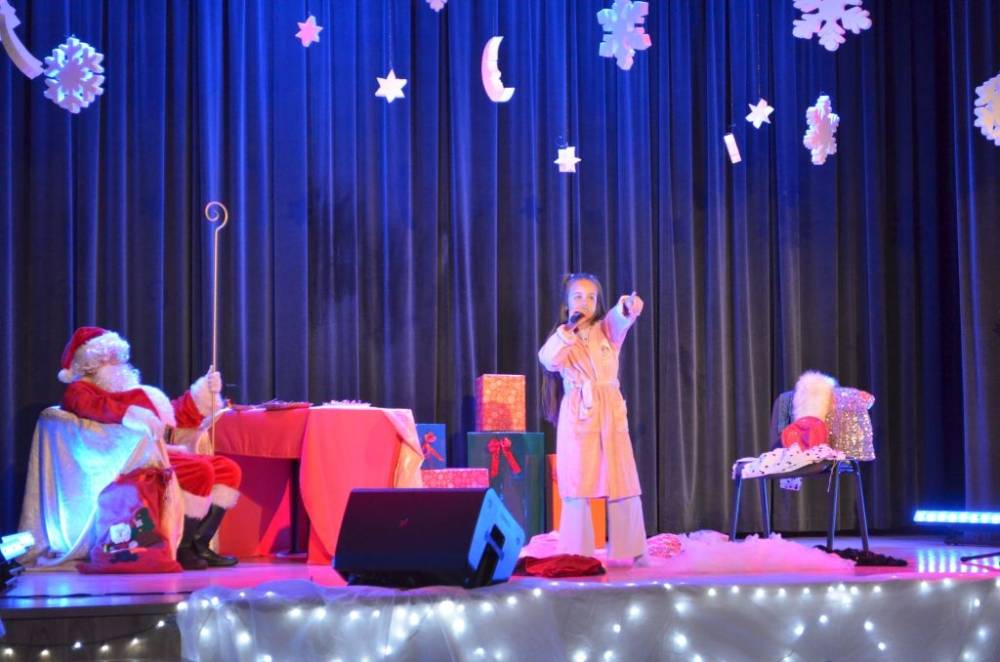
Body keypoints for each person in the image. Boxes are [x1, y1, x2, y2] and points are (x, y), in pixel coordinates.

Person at [56, 326, 241, 569]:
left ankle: (200, 543)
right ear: (92, 363)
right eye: (110, 358)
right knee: (200, 470)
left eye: (118, 356)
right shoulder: (80, 390)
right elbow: (96, 408)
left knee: (227, 469)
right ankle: (182, 547)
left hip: (157, 451)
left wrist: (205, 391)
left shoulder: (127, 388)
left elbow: (171, 417)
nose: (119, 363)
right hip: (132, 457)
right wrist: (133, 414)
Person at [538, 273, 648, 565]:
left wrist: (628, 306)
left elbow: (622, 317)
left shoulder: (607, 330)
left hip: (610, 409)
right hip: (579, 412)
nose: (585, 303)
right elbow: (547, 359)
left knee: (622, 478)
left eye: (591, 297)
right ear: (566, 303)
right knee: (578, 481)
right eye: (578, 297)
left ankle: (631, 551)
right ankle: (577, 552)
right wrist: (568, 331)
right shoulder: (563, 338)